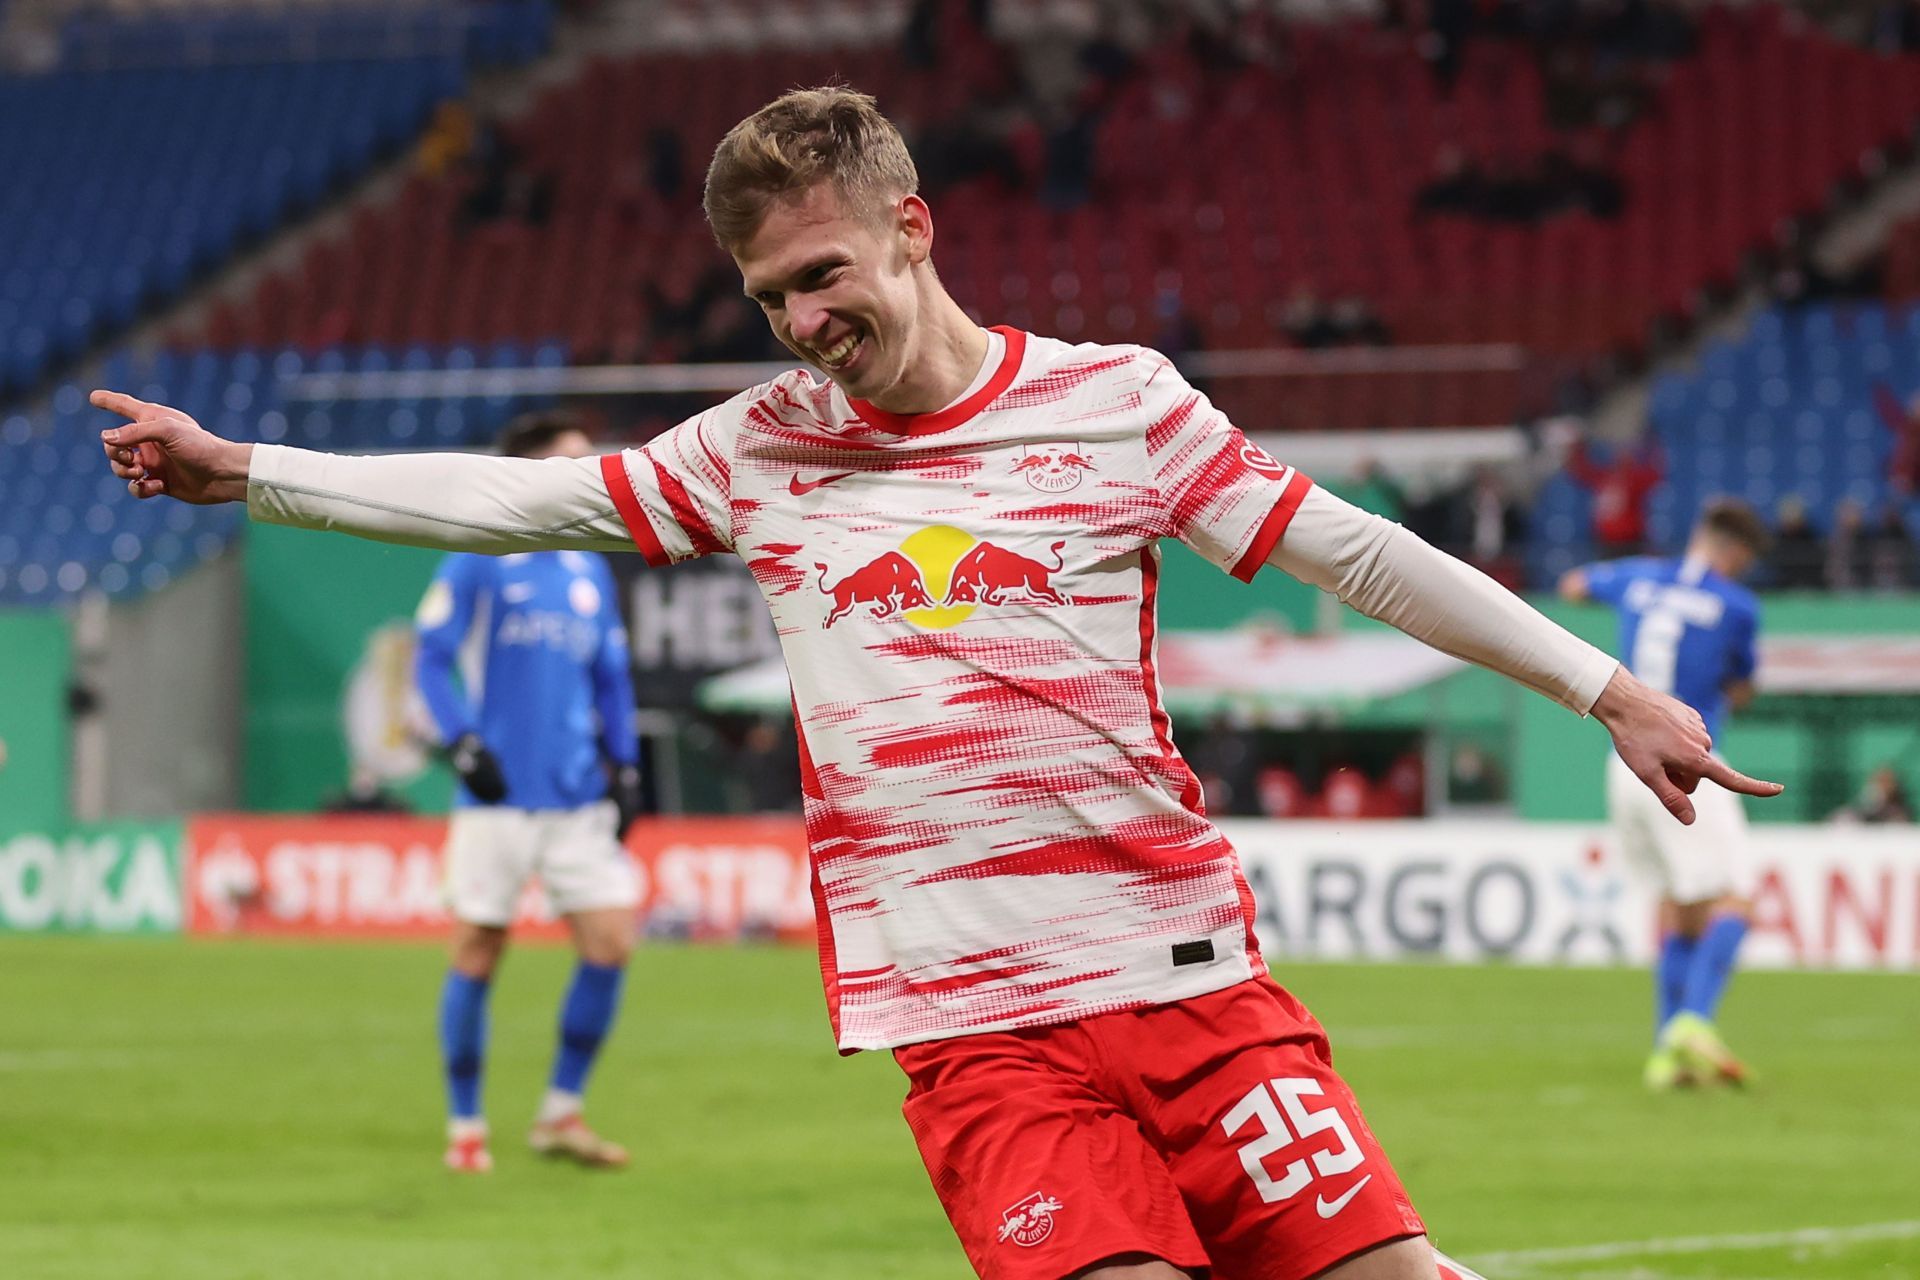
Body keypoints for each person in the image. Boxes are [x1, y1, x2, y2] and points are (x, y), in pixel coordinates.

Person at [95, 87, 1780, 1280]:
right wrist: (250, 468)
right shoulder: (756, 454)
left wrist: (1602, 686)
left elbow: (1354, 553)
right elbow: (522, 499)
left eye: (826, 275)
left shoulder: (1120, 404)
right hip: (971, 1027)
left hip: (1186, 977)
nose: (805, 323)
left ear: (912, 230)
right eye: (771, 299)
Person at [412, 410, 647, 1173]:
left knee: (611, 941)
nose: (586, 476)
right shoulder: (481, 558)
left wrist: (628, 764)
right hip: (500, 797)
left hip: (578, 798)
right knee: (479, 951)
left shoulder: (588, 569)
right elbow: (429, 659)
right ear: (524, 475)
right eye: (569, 463)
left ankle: (560, 1113)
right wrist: (462, 741)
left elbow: (611, 679)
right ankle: (465, 1125)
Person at [1559, 498, 1769, 1091]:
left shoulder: (1637, 575)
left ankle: (1664, 1057)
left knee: (1679, 906)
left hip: (1624, 763)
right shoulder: (1736, 605)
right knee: (1736, 901)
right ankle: (1692, 1023)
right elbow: (1743, 688)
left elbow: (1572, 585)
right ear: (1735, 554)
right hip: (1689, 762)